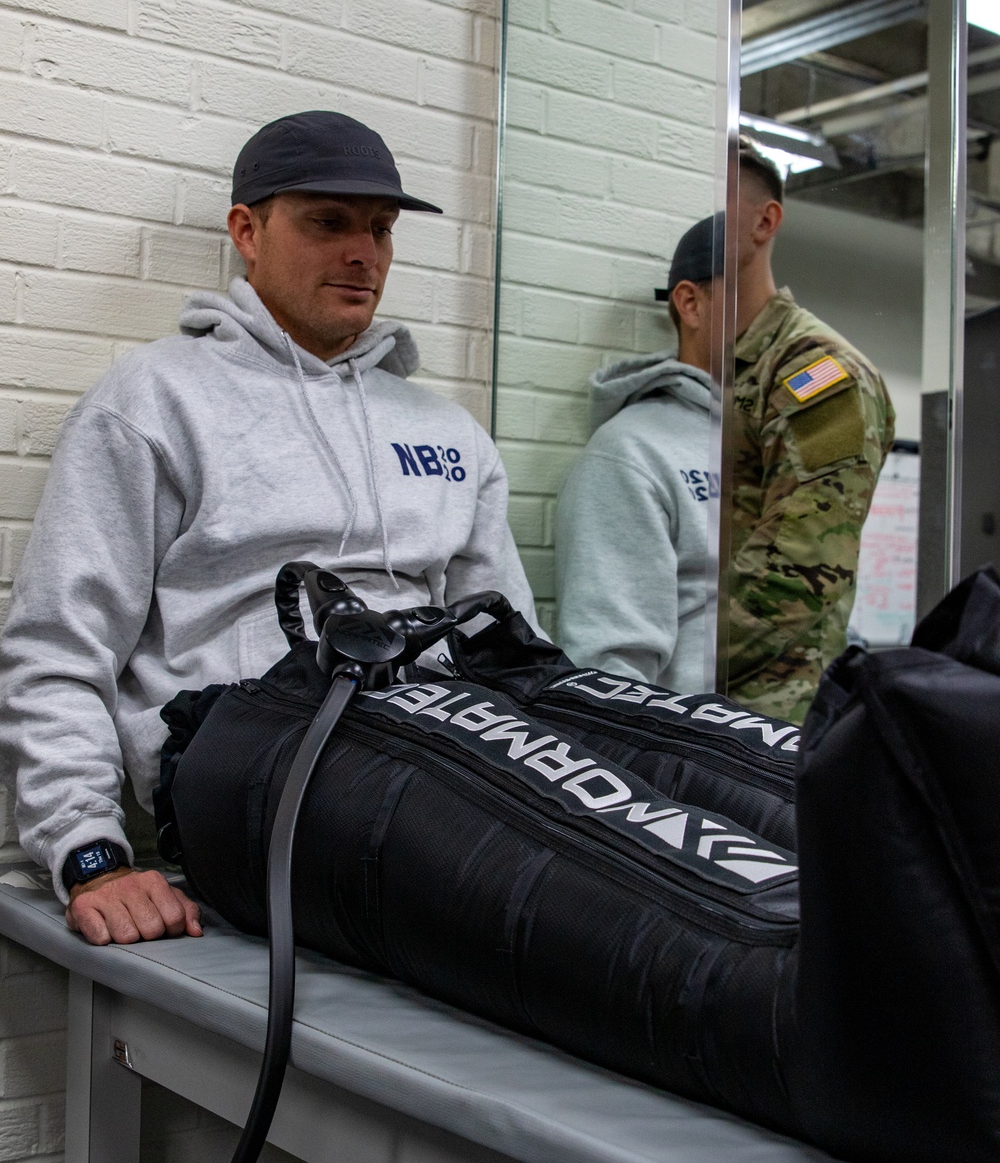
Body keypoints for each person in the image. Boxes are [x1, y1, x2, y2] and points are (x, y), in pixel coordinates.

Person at [0, 111, 539, 946]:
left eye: (382, 230)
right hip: (252, 770)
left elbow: (510, 644)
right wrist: (91, 853)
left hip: (440, 755)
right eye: (329, 223)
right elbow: (58, 650)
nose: (365, 253)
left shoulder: (450, 433)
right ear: (246, 232)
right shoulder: (153, 401)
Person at [726, 135, 895, 723]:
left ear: (764, 221)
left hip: (769, 722)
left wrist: (675, 662)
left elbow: (793, 579)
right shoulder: (708, 363)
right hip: (694, 707)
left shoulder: (817, 375)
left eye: (713, 202)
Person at [553, 213, 722, 693]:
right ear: (690, 303)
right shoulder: (632, 452)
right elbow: (610, 672)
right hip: (713, 753)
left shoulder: (787, 447)